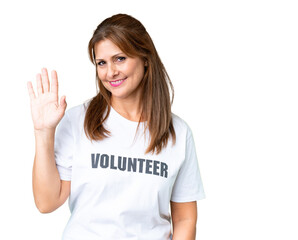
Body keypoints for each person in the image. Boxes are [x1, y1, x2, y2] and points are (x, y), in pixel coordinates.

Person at [27, 13, 205, 240]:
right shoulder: (78, 120)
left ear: (145, 58)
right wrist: (43, 132)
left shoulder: (178, 133)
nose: (110, 72)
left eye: (120, 58)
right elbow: (46, 202)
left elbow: (184, 219)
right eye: (102, 63)